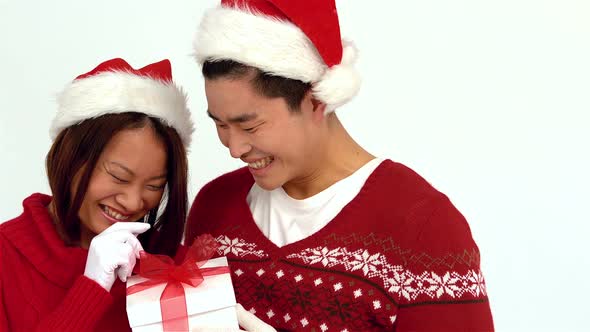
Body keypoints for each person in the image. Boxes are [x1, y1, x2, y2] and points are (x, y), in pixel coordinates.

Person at [183, 0, 495, 331]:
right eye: (220, 125)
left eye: (249, 126)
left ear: (316, 99)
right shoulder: (213, 207)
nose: (234, 148)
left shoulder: (421, 227)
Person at [0, 58, 193, 331]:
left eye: (154, 185)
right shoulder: (6, 257)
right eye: (119, 176)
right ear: (70, 158)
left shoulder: (176, 266)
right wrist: (92, 288)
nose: (132, 202)